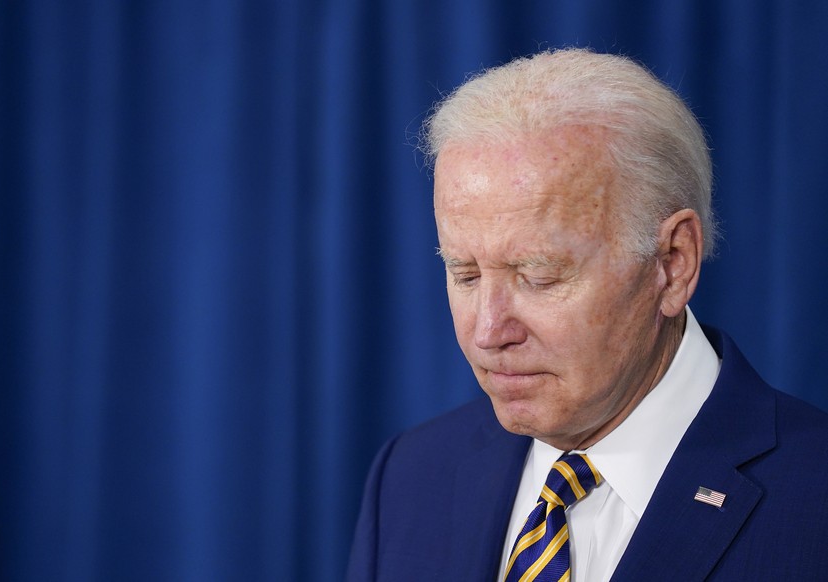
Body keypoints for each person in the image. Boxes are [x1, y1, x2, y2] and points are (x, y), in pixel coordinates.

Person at [346, 48, 828, 582]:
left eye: (539, 276)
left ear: (672, 263)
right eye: (465, 274)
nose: (488, 332)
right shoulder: (411, 477)